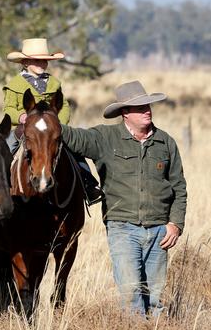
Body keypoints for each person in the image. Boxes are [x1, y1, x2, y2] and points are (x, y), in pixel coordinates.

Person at [60, 80, 188, 317]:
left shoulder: (165, 142)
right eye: (139, 108)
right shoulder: (105, 138)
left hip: (160, 230)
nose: (147, 111)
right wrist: (47, 123)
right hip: (122, 227)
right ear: (125, 113)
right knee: (131, 296)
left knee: (156, 298)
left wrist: (175, 224)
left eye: (147, 105)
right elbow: (74, 138)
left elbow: (179, 187)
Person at [3, 38, 103, 204]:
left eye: (44, 61)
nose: (41, 64)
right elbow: (8, 109)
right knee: (5, 148)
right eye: (37, 60)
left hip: (51, 127)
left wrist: (56, 123)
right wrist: (22, 117)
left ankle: (88, 184)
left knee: (74, 148)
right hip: (25, 127)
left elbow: (63, 106)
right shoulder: (14, 84)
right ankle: (1, 186)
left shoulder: (54, 83)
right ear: (26, 62)